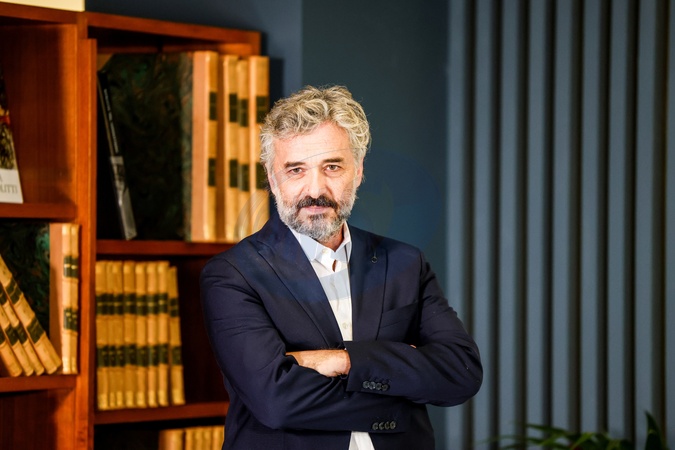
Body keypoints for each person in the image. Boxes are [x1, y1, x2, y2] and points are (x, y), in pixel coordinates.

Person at [200, 85, 482, 450]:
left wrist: (346, 361)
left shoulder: (404, 263)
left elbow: (461, 373)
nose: (315, 189)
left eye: (332, 167)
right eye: (296, 170)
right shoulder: (233, 274)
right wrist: (401, 392)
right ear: (272, 178)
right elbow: (276, 401)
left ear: (358, 171)